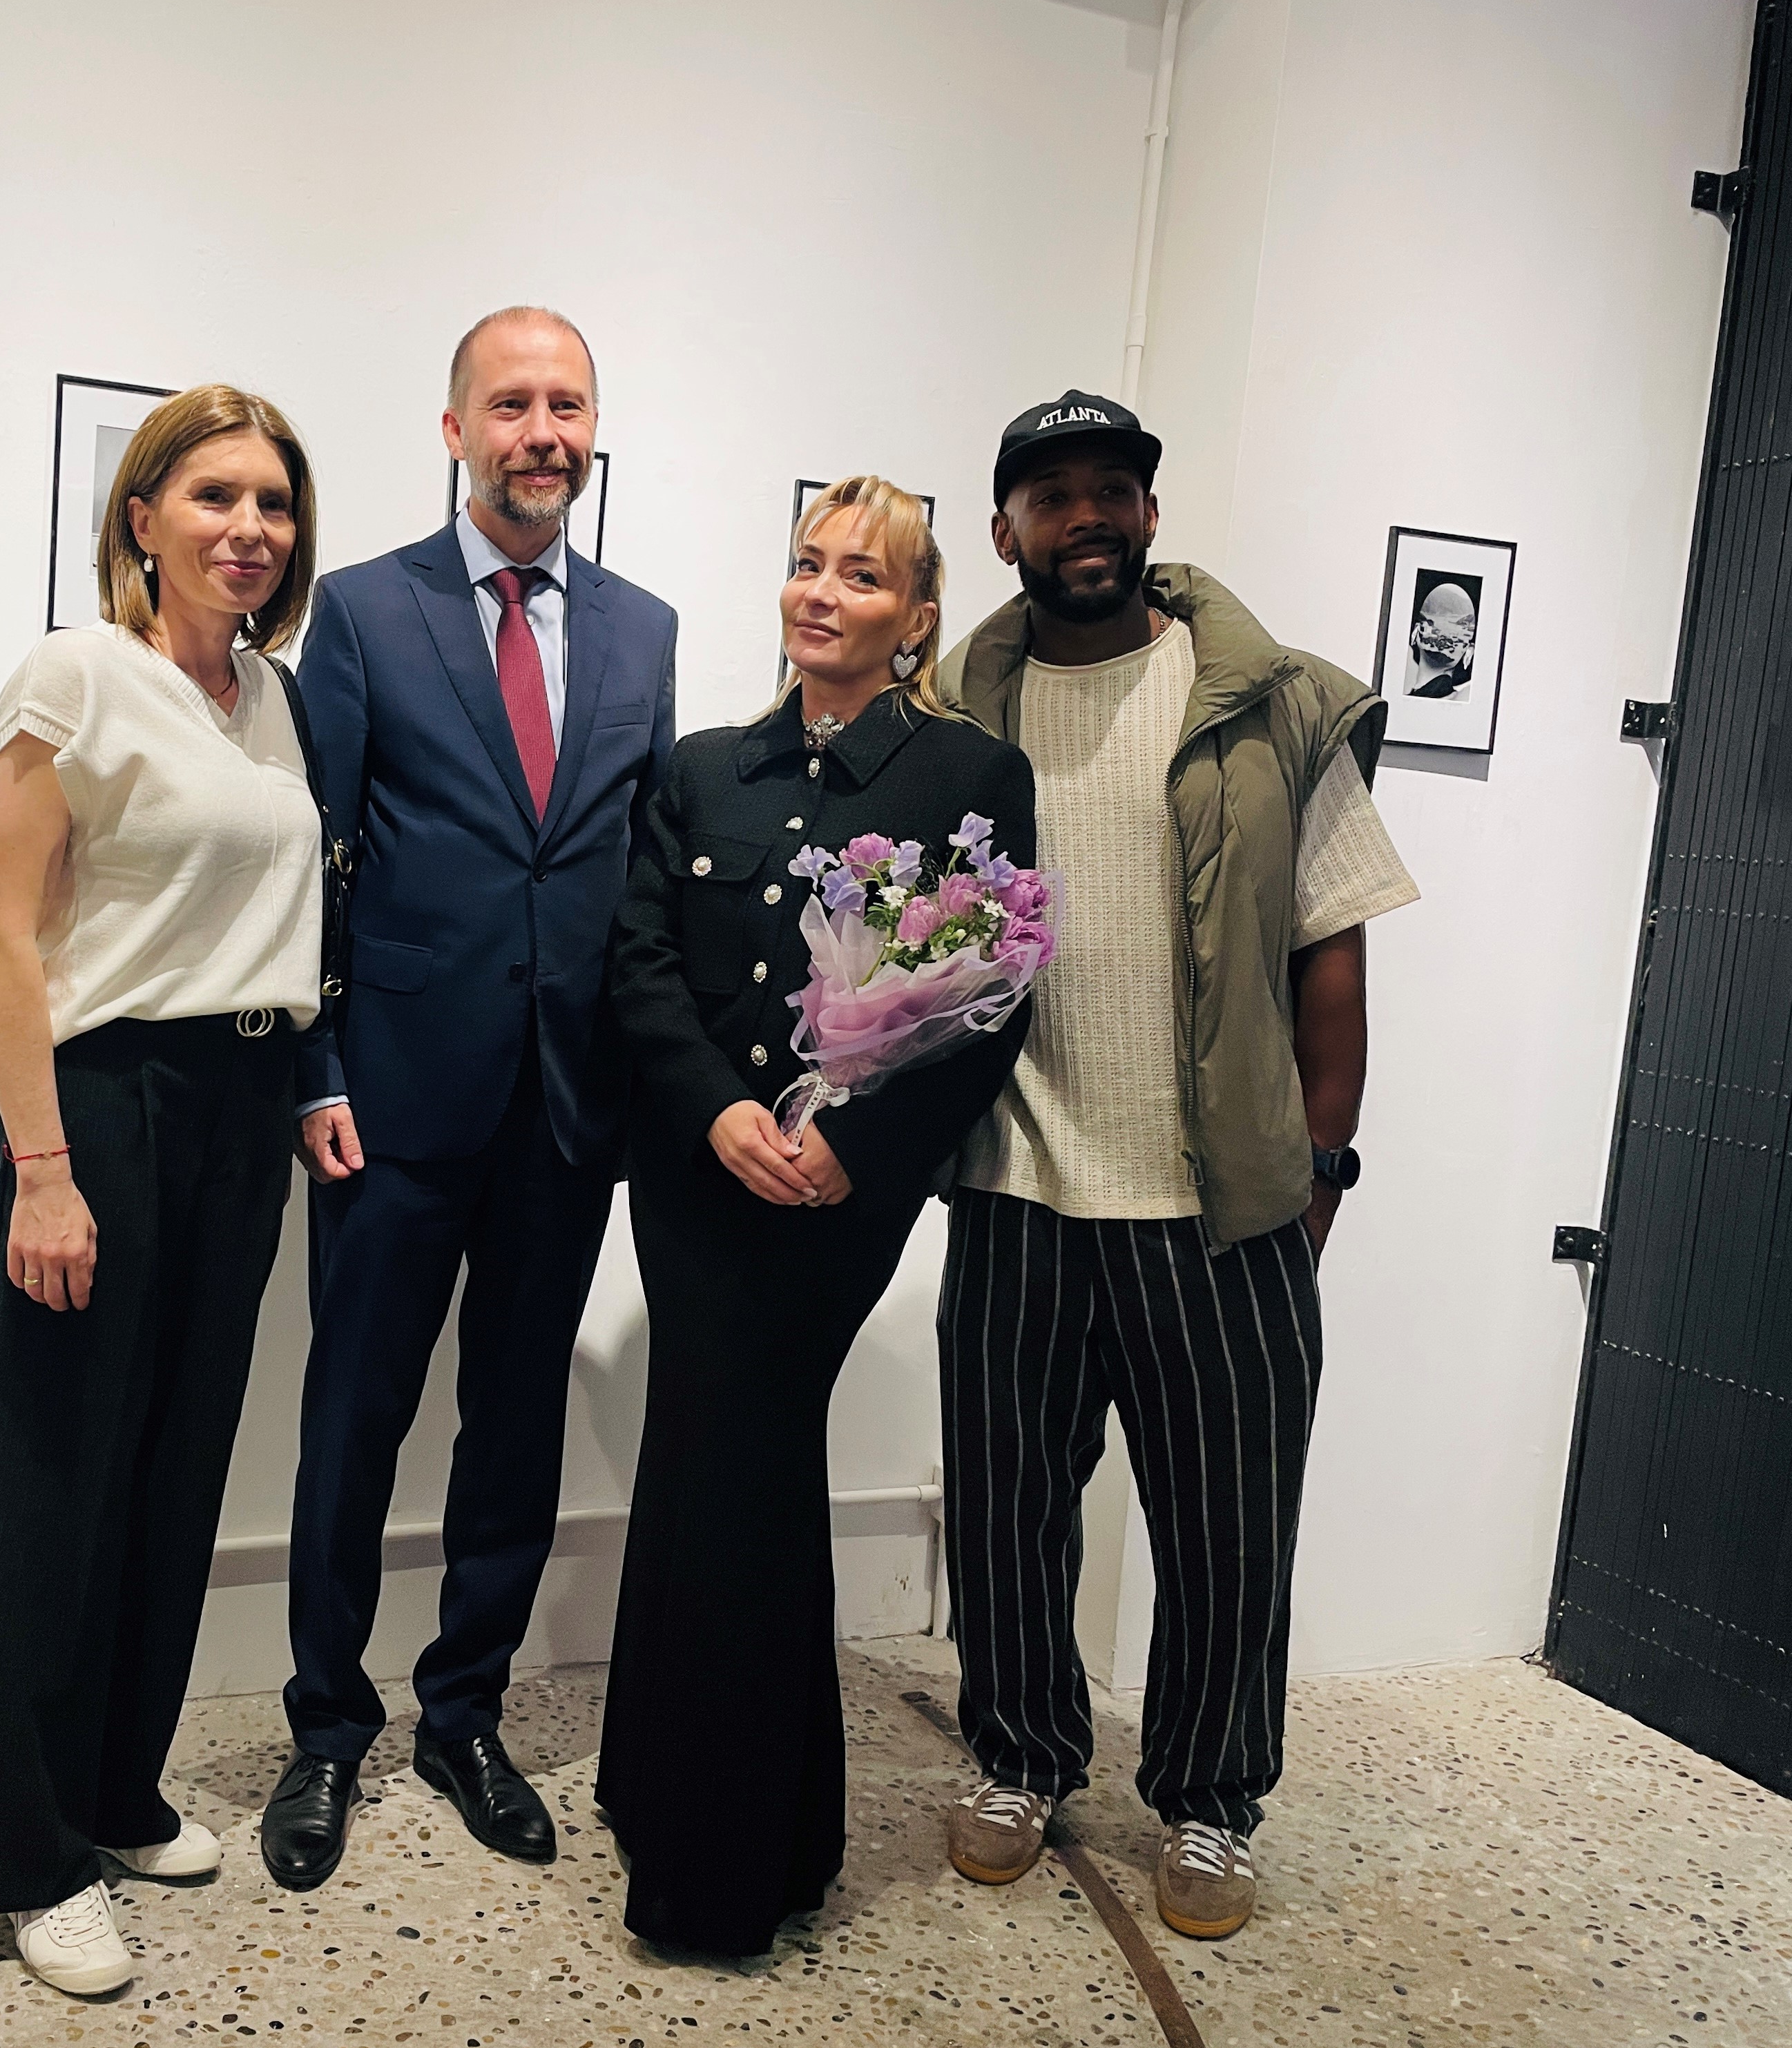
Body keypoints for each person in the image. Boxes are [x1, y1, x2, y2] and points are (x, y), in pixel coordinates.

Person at [932, 390, 1418, 1940]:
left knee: (1227, 1525)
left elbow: (1330, 955)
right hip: (1016, 1183)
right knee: (1006, 1510)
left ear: (1149, 512)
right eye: (1050, 495)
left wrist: (1319, 1170)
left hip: (1219, 1207)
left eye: (1110, 489)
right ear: (1003, 529)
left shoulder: (1270, 704)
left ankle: (1211, 1800)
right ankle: (1020, 1757)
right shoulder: (958, 710)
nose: (1083, 516)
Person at [0, 385, 327, 1997]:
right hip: (104, 1103)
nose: (249, 529)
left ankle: (112, 1791)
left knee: (172, 1470)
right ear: (141, 516)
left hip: (239, 1107)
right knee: (54, 1479)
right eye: (215, 496)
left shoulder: (272, 698)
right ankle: (19, 1854)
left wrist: (302, 1091)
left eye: (273, 503)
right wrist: (42, 1170)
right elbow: (0, 932)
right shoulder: (75, 675)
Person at [261, 308, 679, 1891]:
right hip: (389, 1103)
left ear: (593, 429)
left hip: (567, 1111)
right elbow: (312, 858)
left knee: (512, 1427)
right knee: (352, 1420)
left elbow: (639, 874)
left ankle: (464, 1716)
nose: (540, 432)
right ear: (454, 430)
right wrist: (313, 1067)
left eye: (565, 405)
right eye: (510, 404)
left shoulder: (644, 632)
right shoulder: (367, 611)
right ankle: (323, 1726)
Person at [597, 476, 1037, 1957]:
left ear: (915, 617)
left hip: (834, 1193)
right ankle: (682, 1800)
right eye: (806, 563)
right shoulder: (702, 768)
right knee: (702, 1453)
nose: (822, 591)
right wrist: (713, 1111)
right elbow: (640, 958)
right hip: (695, 1174)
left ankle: (717, 1869)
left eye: (861, 574)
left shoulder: (969, 773)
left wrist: (859, 1144)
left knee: (743, 1462)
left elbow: (989, 1000)